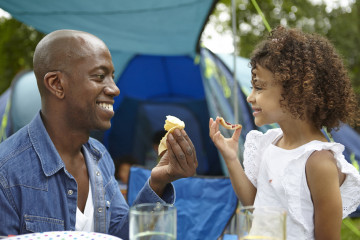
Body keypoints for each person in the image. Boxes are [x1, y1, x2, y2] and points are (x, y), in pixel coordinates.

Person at [0, 30, 198, 239]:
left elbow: (120, 234)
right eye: (99, 76)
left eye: (112, 77)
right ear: (57, 84)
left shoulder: (99, 156)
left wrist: (158, 183)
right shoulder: (6, 171)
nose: (114, 89)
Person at [209, 26, 360, 240]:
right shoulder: (270, 143)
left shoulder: (318, 162)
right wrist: (231, 158)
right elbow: (255, 204)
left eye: (259, 88)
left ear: (296, 92)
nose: (250, 97)